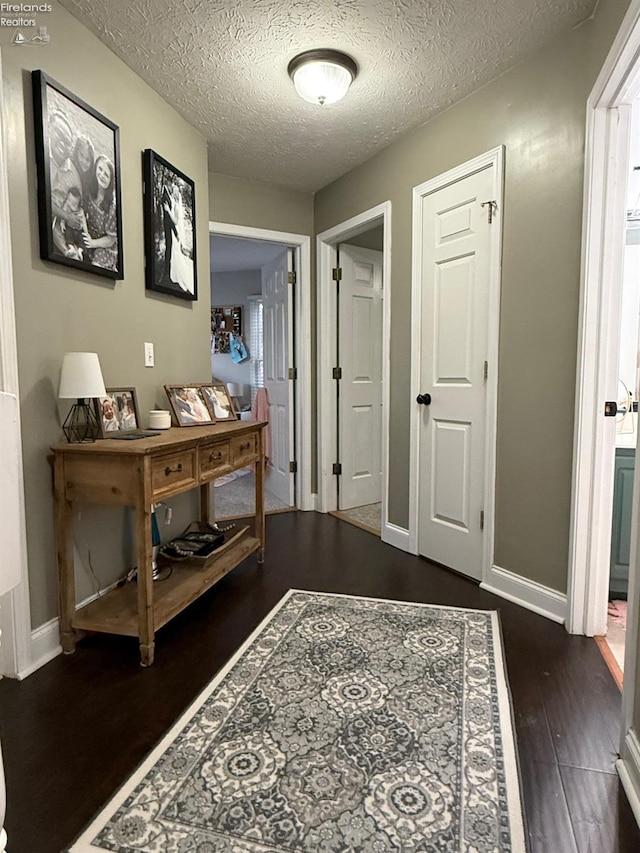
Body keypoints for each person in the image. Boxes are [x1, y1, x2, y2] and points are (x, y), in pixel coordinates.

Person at [48, 109, 83, 241]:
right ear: (49, 129)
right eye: (59, 134)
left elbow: (77, 215)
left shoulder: (74, 178)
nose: (63, 143)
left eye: (67, 142)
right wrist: (66, 216)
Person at [82, 154, 118, 271]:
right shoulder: (89, 191)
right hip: (89, 234)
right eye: (100, 169)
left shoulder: (112, 206)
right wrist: (87, 234)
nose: (101, 175)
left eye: (106, 175)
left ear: (110, 181)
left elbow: (111, 240)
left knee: (95, 267)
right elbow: (82, 211)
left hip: (104, 246)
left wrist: (93, 243)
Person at [162, 183, 194, 294]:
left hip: (175, 232)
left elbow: (175, 221)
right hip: (174, 232)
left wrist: (168, 210)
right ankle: (173, 272)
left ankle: (176, 274)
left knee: (176, 253)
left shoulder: (175, 206)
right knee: (174, 253)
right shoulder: (175, 203)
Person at [52, 186, 84, 260]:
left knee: (82, 239)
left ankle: (80, 251)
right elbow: (63, 220)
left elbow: (81, 223)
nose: (69, 205)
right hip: (69, 231)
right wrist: (63, 223)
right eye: (68, 201)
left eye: (73, 205)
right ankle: (71, 249)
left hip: (78, 232)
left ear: (77, 207)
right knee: (67, 234)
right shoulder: (65, 208)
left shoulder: (78, 212)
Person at [72, 135, 95, 206]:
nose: (84, 162)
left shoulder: (90, 178)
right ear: (77, 153)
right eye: (81, 155)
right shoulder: (71, 166)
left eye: (88, 160)